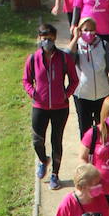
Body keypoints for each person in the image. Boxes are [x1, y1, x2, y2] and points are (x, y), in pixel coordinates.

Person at [22, 23, 78, 190]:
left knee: (56, 140)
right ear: (39, 39)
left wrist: (65, 94)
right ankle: (43, 160)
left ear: (55, 39)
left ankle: (55, 174)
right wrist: (33, 92)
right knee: (37, 140)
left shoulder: (64, 58)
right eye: (44, 38)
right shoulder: (33, 59)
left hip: (60, 108)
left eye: (51, 39)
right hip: (40, 106)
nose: (47, 42)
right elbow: (26, 80)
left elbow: (74, 80)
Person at [67, 14, 109, 138]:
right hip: (82, 94)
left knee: (103, 126)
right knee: (85, 128)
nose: (89, 33)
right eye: (85, 30)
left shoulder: (103, 45)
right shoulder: (77, 46)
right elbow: (68, 59)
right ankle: (87, 153)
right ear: (80, 31)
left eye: (91, 30)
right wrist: (75, 38)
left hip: (102, 94)